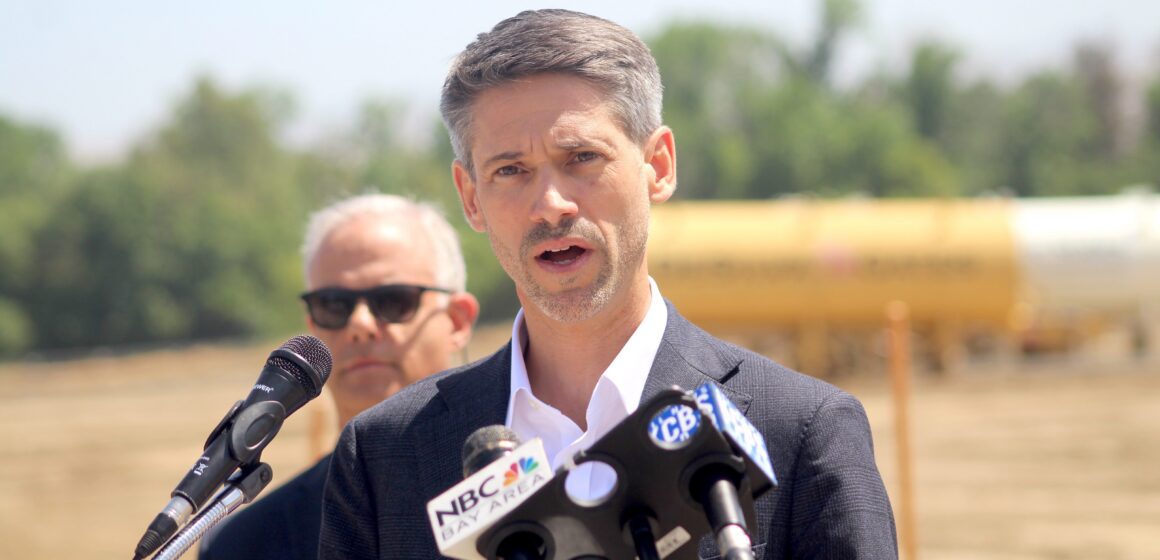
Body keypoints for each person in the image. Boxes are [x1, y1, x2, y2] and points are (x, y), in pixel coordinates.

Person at [320, 9, 897, 559]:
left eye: (582, 158)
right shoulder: (385, 453)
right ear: (471, 197)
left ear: (659, 166)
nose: (550, 205)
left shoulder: (800, 430)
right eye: (511, 170)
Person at [199, 193, 479, 560]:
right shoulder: (247, 543)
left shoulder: (526, 478)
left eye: (394, 301)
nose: (359, 325)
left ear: (457, 320)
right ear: (312, 325)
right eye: (334, 306)